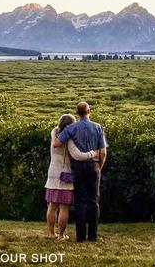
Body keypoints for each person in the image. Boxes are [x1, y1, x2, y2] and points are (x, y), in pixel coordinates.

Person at [54, 101, 107, 242]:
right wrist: (99, 167)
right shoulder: (98, 127)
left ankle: (80, 236)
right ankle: (93, 236)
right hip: (93, 166)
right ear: (89, 111)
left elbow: (57, 143)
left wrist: (55, 131)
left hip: (77, 167)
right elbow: (103, 152)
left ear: (77, 113)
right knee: (93, 201)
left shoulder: (72, 128)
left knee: (80, 201)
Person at [45, 114, 99, 240]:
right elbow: (77, 155)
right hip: (66, 175)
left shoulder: (54, 133)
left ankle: (51, 233)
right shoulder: (69, 139)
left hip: (52, 173)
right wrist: (93, 153)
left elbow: (54, 141)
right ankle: (62, 235)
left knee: (52, 205)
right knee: (64, 207)